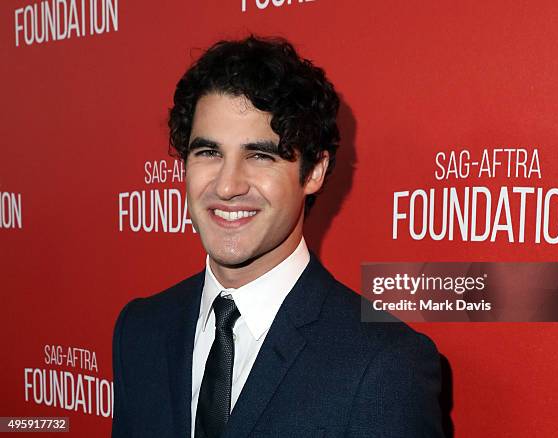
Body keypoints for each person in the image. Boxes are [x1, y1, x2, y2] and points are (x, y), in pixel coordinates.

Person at [112, 35, 443, 438]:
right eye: (208, 153)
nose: (228, 185)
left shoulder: (383, 366)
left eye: (260, 156)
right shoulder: (141, 330)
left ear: (314, 172)